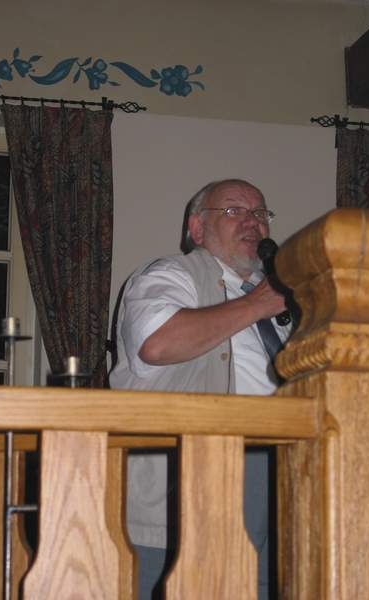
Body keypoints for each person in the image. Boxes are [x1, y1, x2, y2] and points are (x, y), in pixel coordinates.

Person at [110, 178, 294, 599]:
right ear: (197, 229)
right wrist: (255, 305)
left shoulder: (281, 296)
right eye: (233, 211)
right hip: (190, 482)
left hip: (284, 471)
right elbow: (157, 343)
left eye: (260, 213)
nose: (252, 222)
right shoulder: (168, 275)